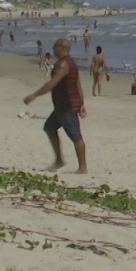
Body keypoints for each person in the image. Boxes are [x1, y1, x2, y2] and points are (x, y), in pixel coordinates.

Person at [23, 38, 87, 174]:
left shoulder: (64, 64)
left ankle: (82, 167)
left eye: (55, 47)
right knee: (49, 128)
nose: (52, 49)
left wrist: (34, 95)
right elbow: (77, 84)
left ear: (62, 48)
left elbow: (52, 83)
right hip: (60, 106)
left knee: (75, 136)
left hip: (67, 106)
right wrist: (81, 103)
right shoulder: (70, 63)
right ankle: (59, 160)